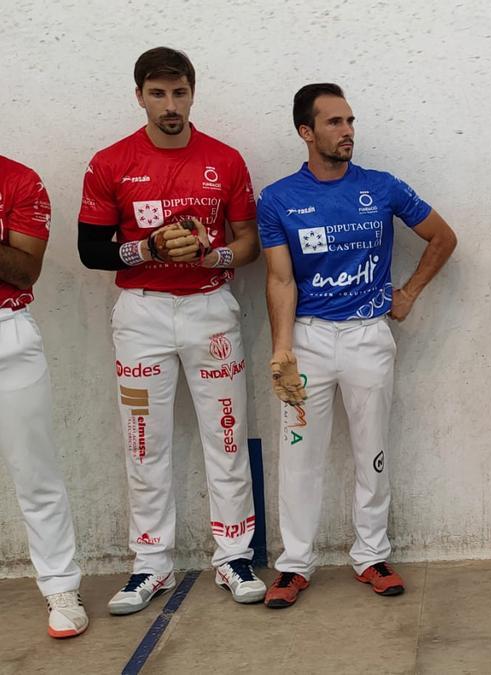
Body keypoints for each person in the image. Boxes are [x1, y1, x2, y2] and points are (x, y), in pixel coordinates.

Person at [77, 46, 265, 614]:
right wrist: (148, 247)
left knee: (226, 437)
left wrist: (212, 257)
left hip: (210, 308)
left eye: (179, 93)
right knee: (144, 441)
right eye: (157, 94)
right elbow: (89, 251)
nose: (170, 106)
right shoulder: (110, 162)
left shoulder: (225, 160)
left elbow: (249, 243)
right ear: (139, 96)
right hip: (142, 313)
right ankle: (150, 563)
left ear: (192, 92)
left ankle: (233, 556)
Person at [258, 83, 457, 608]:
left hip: (370, 336)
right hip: (309, 338)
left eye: (350, 121)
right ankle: (294, 565)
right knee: (299, 455)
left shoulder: (383, 187)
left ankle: (371, 555)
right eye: (334, 123)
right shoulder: (278, 199)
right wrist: (283, 350)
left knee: (373, 449)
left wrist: (409, 292)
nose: (347, 132)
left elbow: (444, 237)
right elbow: (280, 279)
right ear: (306, 131)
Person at [0, 154, 89, 637]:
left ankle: (60, 585)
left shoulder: (19, 180)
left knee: (35, 472)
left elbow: (24, 270)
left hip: (7, 333)